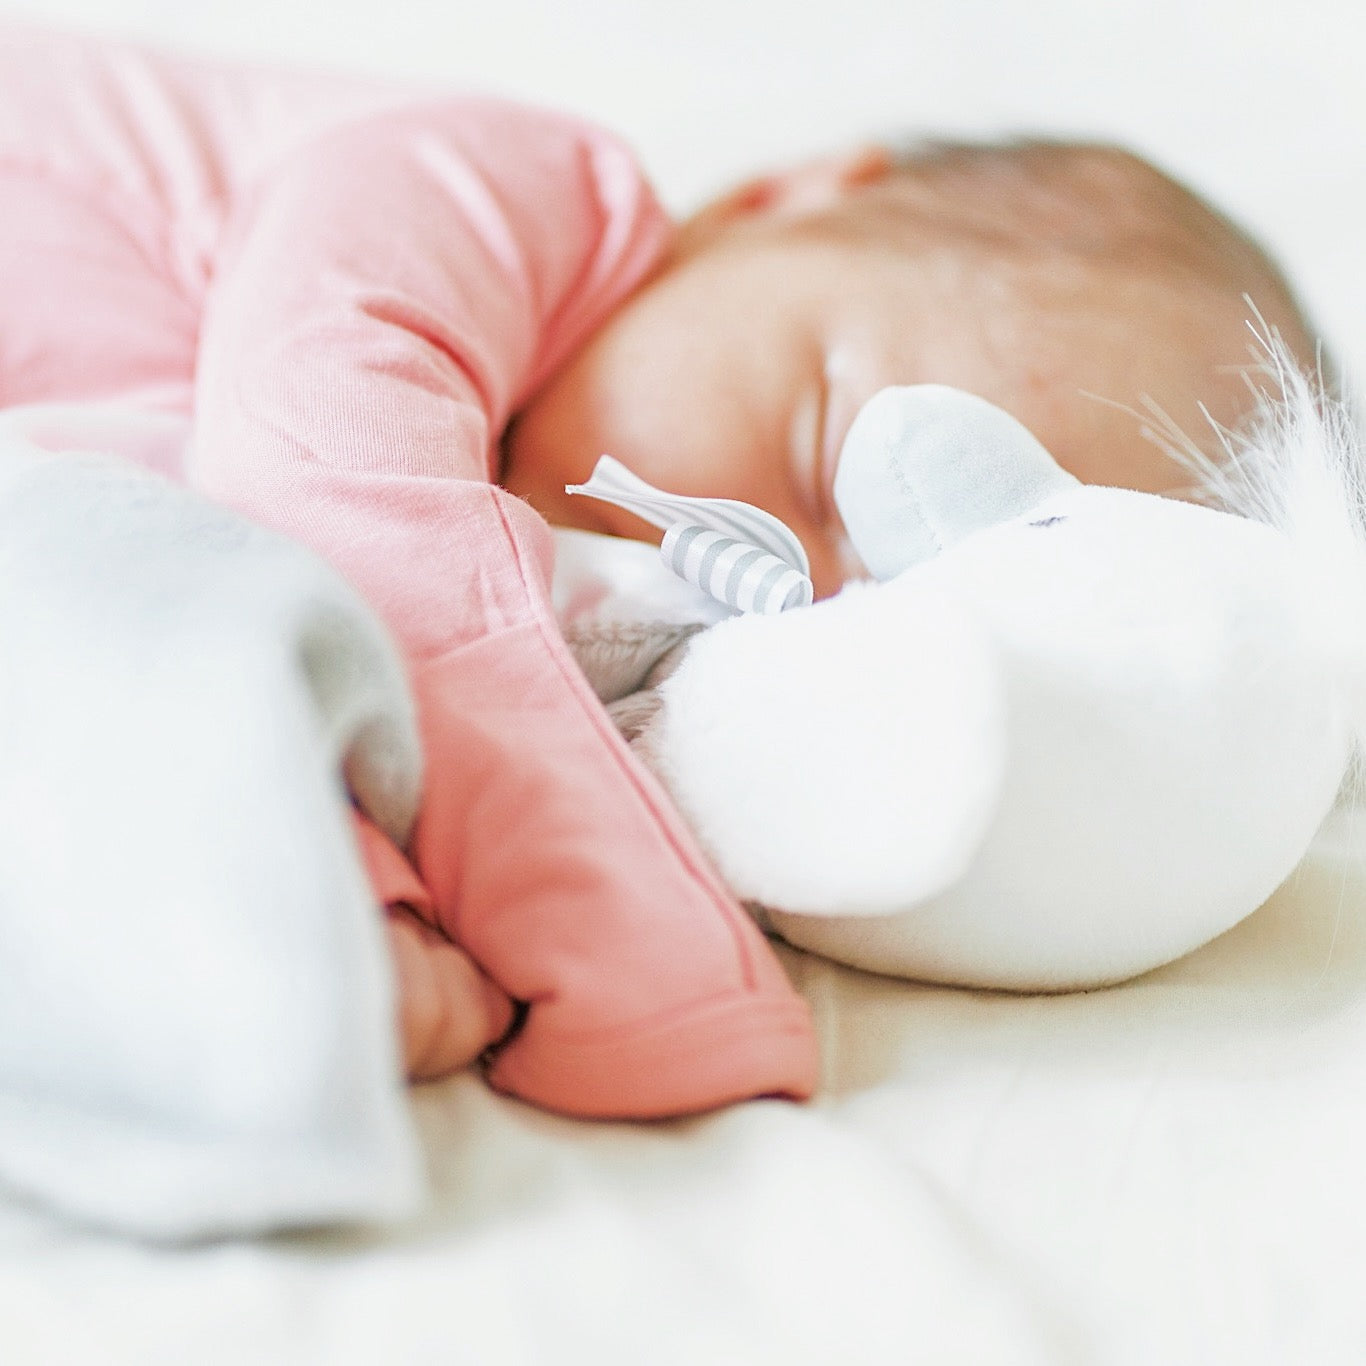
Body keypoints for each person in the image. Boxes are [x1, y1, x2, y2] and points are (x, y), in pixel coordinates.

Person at [0, 25, 1319, 1112]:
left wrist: (336, 890)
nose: (789, 589)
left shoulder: (613, 654)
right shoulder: (495, 183)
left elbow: (122, 611)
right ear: (785, 201)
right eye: (822, 454)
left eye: (882, 606)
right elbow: (332, 488)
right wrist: (611, 933)